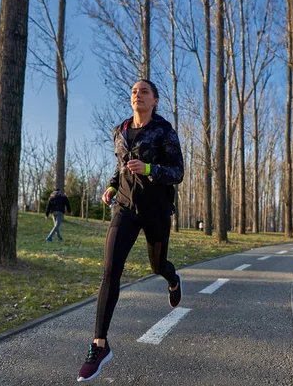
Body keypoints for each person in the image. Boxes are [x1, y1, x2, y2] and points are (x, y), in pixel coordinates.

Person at [77, 79, 184, 382]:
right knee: (110, 270)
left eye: (145, 91)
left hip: (156, 210)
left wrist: (150, 170)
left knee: (157, 265)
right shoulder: (120, 131)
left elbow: (178, 172)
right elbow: (121, 166)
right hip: (124, 208)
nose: (138, 94)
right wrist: (112, 186)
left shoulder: (164, 131)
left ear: (155, 101)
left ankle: (173, 279)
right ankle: (100, 344)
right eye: (135, 91)